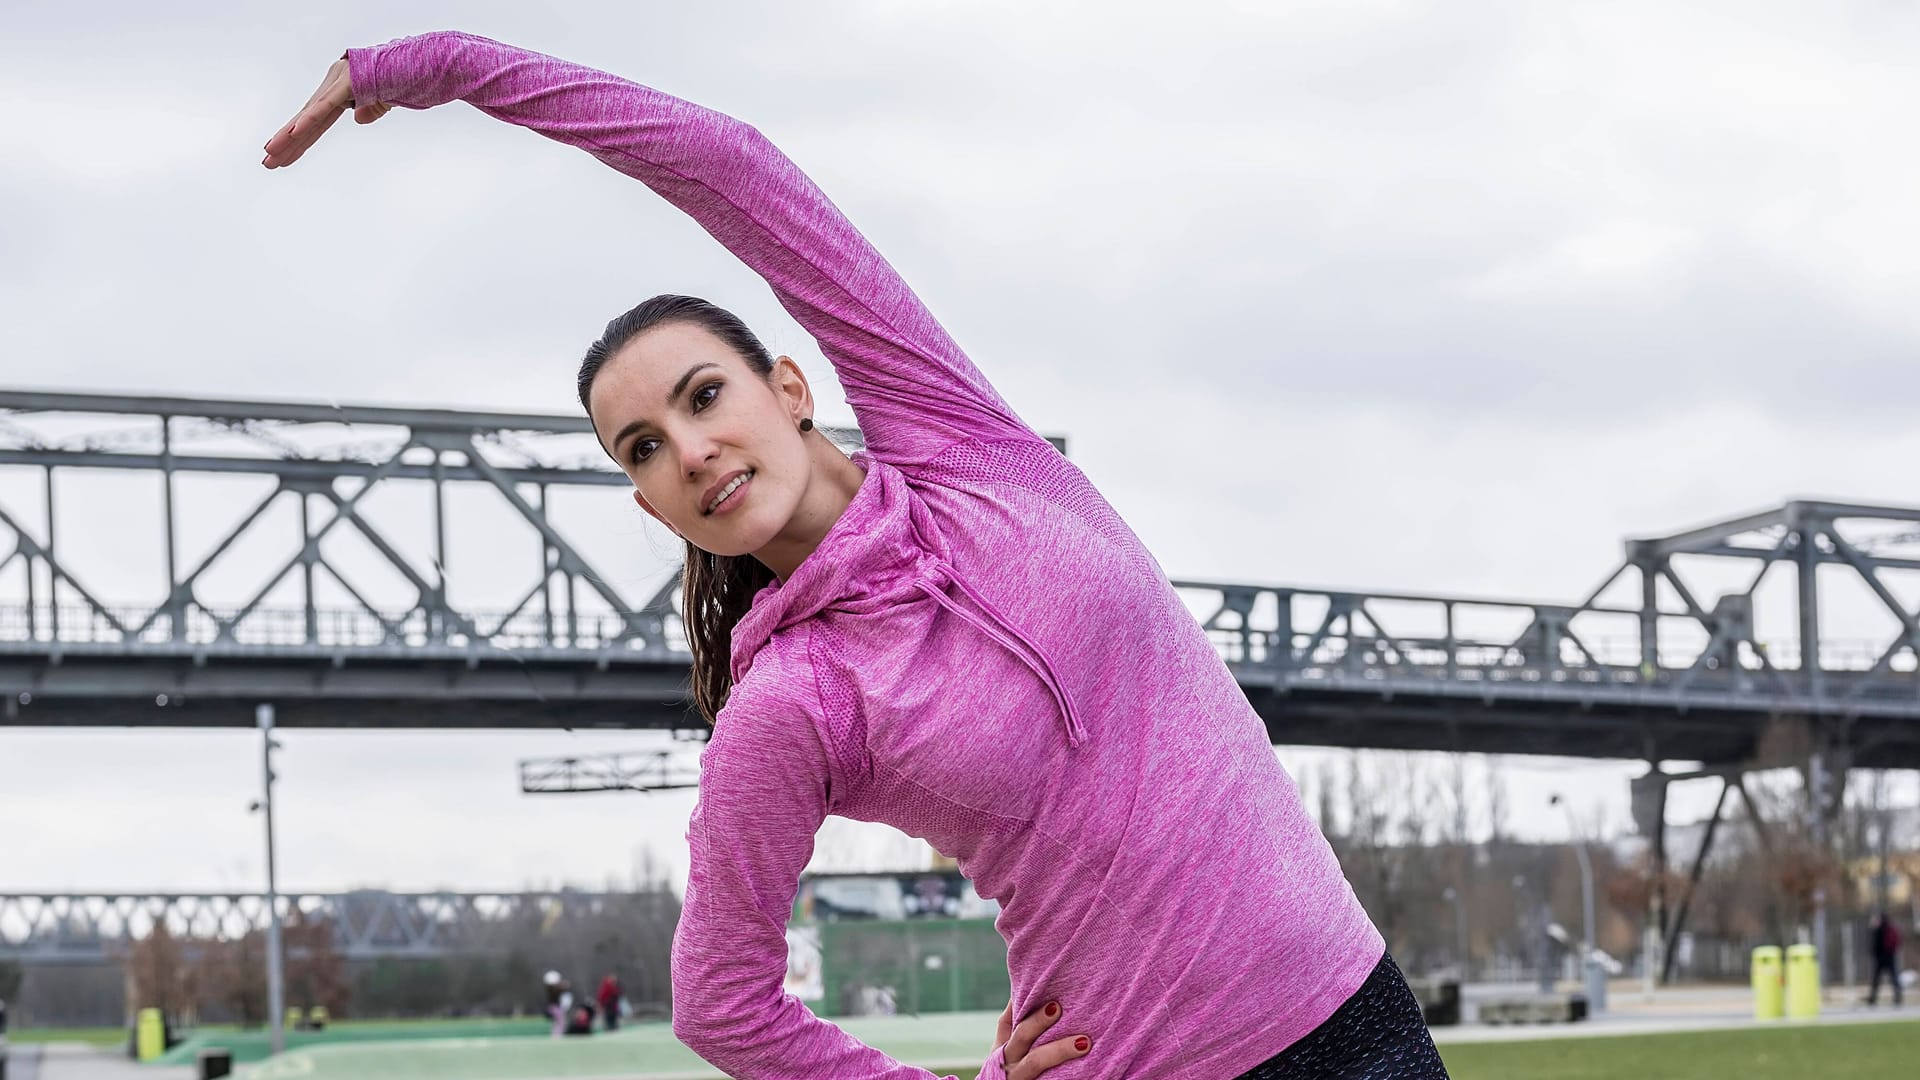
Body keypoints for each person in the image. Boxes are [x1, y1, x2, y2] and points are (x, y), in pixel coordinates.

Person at [264, 30, 1445, 1080]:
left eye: (704, 394)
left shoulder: (964, 443)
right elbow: (719, 1006)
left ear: (789, 386)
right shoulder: (792, 702)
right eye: (645, 447)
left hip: (1358, 1013)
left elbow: (728, 162)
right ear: (650, 503)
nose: (691, 449)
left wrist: (432, 68)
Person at [1867, 911, 1903, 1007]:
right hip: (1889, 956)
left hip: (1882, 957)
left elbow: (1875, 943)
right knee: (1893, 977)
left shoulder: (1879, 929)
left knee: (1877, 979)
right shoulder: (1889, 928)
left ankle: (1873, 998)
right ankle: (1897, 997)